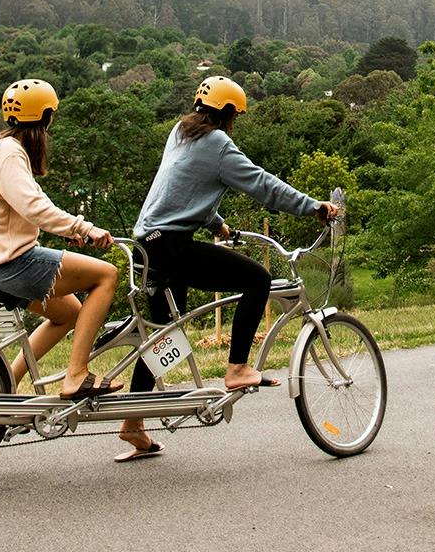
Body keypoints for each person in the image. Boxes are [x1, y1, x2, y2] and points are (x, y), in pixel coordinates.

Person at [116, 75, 338, 462]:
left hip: (145, 246)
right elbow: (263, 185)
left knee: (165, 334)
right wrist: (313, 206)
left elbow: (181, 187)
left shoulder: (181, 132)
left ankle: (133, 422)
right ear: (231, 113)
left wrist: (215, 223)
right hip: (170, 246)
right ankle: (237, 368)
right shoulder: (218, 143)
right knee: (257, 279)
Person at [0, 78, 123, 400]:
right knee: (107, 275)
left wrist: (71, 229)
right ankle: (76, 376)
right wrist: (83, 229)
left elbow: (32, 199)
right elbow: (35, 208)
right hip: (9, 264)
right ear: (44, 118)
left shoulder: (4, 149)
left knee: (69, 314)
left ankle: (5, 389)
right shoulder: (9, 154)